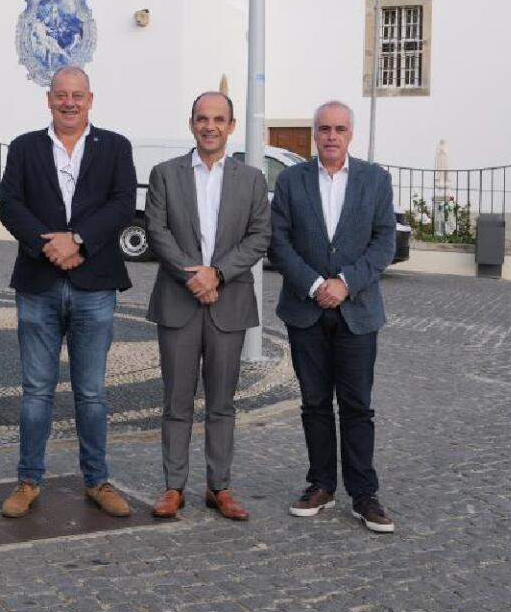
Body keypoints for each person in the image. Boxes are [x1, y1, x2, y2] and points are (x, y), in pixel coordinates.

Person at [0, 66, 137, 518]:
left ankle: (97, 480)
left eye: (78, 95)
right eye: (62, 95)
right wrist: (49, 246)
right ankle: (28, 480)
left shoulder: (115, 146)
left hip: (95, 284)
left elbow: (121, 204)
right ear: (49, 99)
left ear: (91, 99)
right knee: (36, 390)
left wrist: (76, 240)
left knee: (92, 392)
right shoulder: (24, 147)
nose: (69, 102)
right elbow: (10, 205)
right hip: (39, 283)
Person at [269, 100, 397, 533]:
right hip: (305, 310)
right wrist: (313, 285)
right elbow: (279, 242)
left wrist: (345, 282)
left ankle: (364, 494)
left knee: (358, 406)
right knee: (314, 403)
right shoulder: (290, 180)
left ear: (351, 134)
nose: (331, 136)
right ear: (314, 133)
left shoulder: (375, 180)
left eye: (339, 129)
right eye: (324, 128)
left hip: (357, 311)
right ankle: (321, 483)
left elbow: (384, 242)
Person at [144, 92, 271, 521]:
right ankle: (173, 487)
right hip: (178, 301)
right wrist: (191, 274)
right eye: (202, 118)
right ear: (192, 123)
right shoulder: (164, 174)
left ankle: (219, 487)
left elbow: (259, 237)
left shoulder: (251, 179)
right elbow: (157, 231)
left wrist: (216, 273)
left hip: (229, 301)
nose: (210, 126)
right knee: (176, 401)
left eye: (218, 119)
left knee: (222, 402)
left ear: (231, 126)